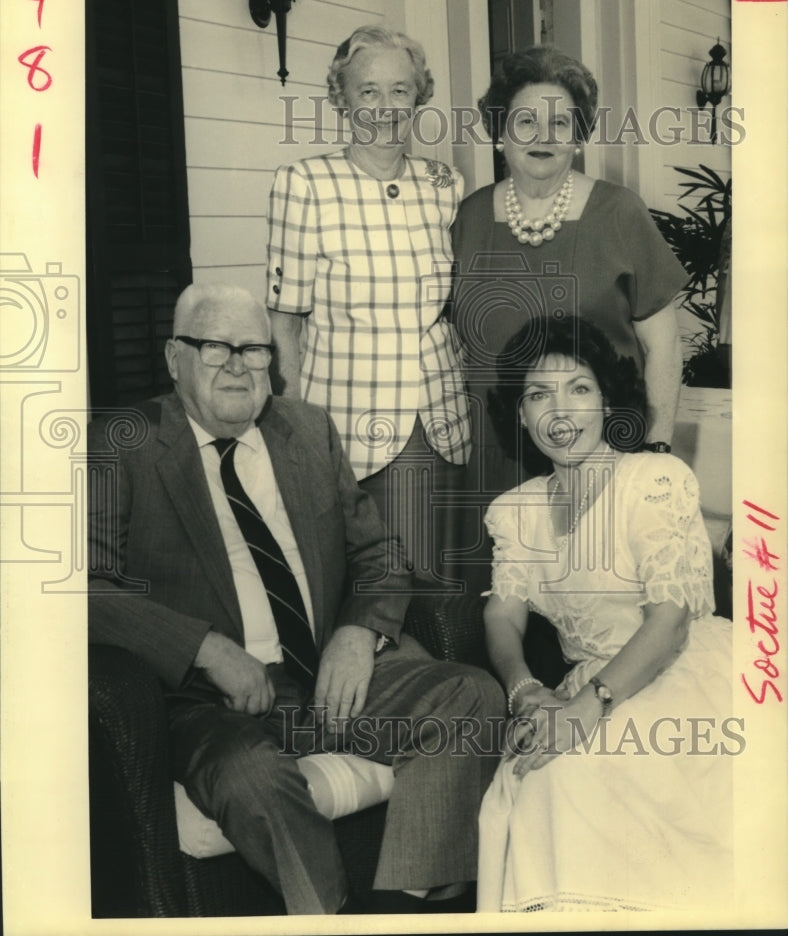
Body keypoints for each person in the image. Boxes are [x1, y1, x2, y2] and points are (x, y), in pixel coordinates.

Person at [88, 283, 503, 916]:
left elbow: (380, 553)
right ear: (175, 357)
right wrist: (204, 649)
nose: (237, 365)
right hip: (210, 703)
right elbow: (83, 588)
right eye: (214, 347)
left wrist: (358, 634)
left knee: (472, 695)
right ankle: (330, 918)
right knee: (252, 776)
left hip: (328, 681)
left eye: (253, 349)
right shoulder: (124, 442)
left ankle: (411, 912)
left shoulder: (305, 428)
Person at [476, 314, 733, 913]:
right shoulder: (515, 511)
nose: (559, 411)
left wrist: (586, 709)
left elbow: (669, 621)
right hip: (585, 684)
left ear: (608, 401)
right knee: (542, 777)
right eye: (538, 394)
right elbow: (502, 616)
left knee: (583, 772)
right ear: (519, 413)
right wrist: (524, 690)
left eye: (579, 389)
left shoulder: (654, 479)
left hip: (680, 673)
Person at [450, 46, 687, 592]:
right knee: (504, 611)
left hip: (601, 456)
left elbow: (664, 346)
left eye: (561, 122)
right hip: (494, 460)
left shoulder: (619, 212)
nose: (543, 135)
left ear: (578, 136)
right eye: (526, 120)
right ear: (499, 132)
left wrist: (654, 452)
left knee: (604, 601)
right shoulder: (466, 219)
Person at [267, 25, 470, 586]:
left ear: (418, 97)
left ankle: (446, 671)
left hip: (444, 415)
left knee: (441, 576)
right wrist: (295, 431)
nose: (385, 107)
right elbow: (285, 322)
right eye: (369, 92)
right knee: (375, 582)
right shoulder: (304, 183)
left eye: (400, 91)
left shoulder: (444, 184)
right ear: (342, 98)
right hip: (349, 423)